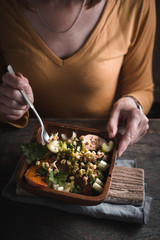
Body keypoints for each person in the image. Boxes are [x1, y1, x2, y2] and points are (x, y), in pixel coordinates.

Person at [0, 0, 156, 157]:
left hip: (102, 140)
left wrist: (133, 103)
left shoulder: (137, 3)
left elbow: (141, 87)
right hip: (20, 146)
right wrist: (7, 104)